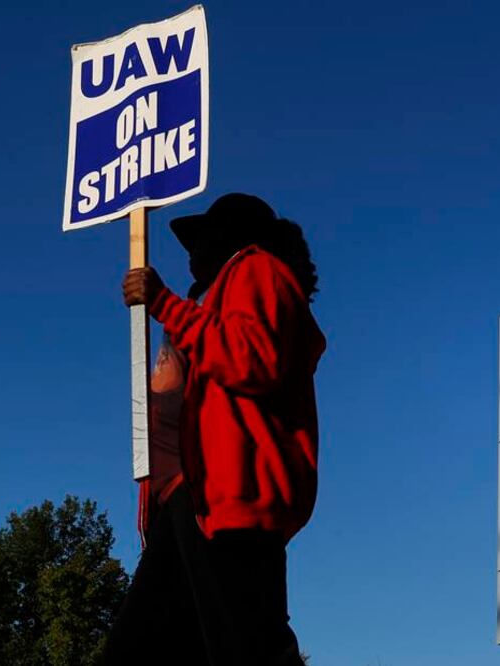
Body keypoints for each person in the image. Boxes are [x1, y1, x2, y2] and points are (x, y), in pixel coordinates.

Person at [102, 193, 326, 666]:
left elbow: (251, 358)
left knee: (246, 646)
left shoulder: (256, 269)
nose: (190, 252)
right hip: (196, 500)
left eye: (200, 238)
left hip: (230, 502)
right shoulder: (215, 298)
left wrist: (162, 302)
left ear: (230, 238)